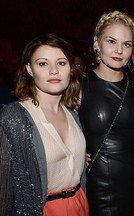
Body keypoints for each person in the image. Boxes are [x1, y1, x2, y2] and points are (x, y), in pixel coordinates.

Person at [0, 33, 88, 215]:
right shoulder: (13, 116)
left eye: (61, 63)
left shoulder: (73, 113)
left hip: (80, 205)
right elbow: (4, 189)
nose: (54, 70)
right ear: (29, 69)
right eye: (43, 63)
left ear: (70, 67)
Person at [78, 10, 134, 216]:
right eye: (111, 41)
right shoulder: (79, 85)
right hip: (102, 187)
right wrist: (73, 149)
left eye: (127, 44)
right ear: (96, 43)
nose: (119, 50)